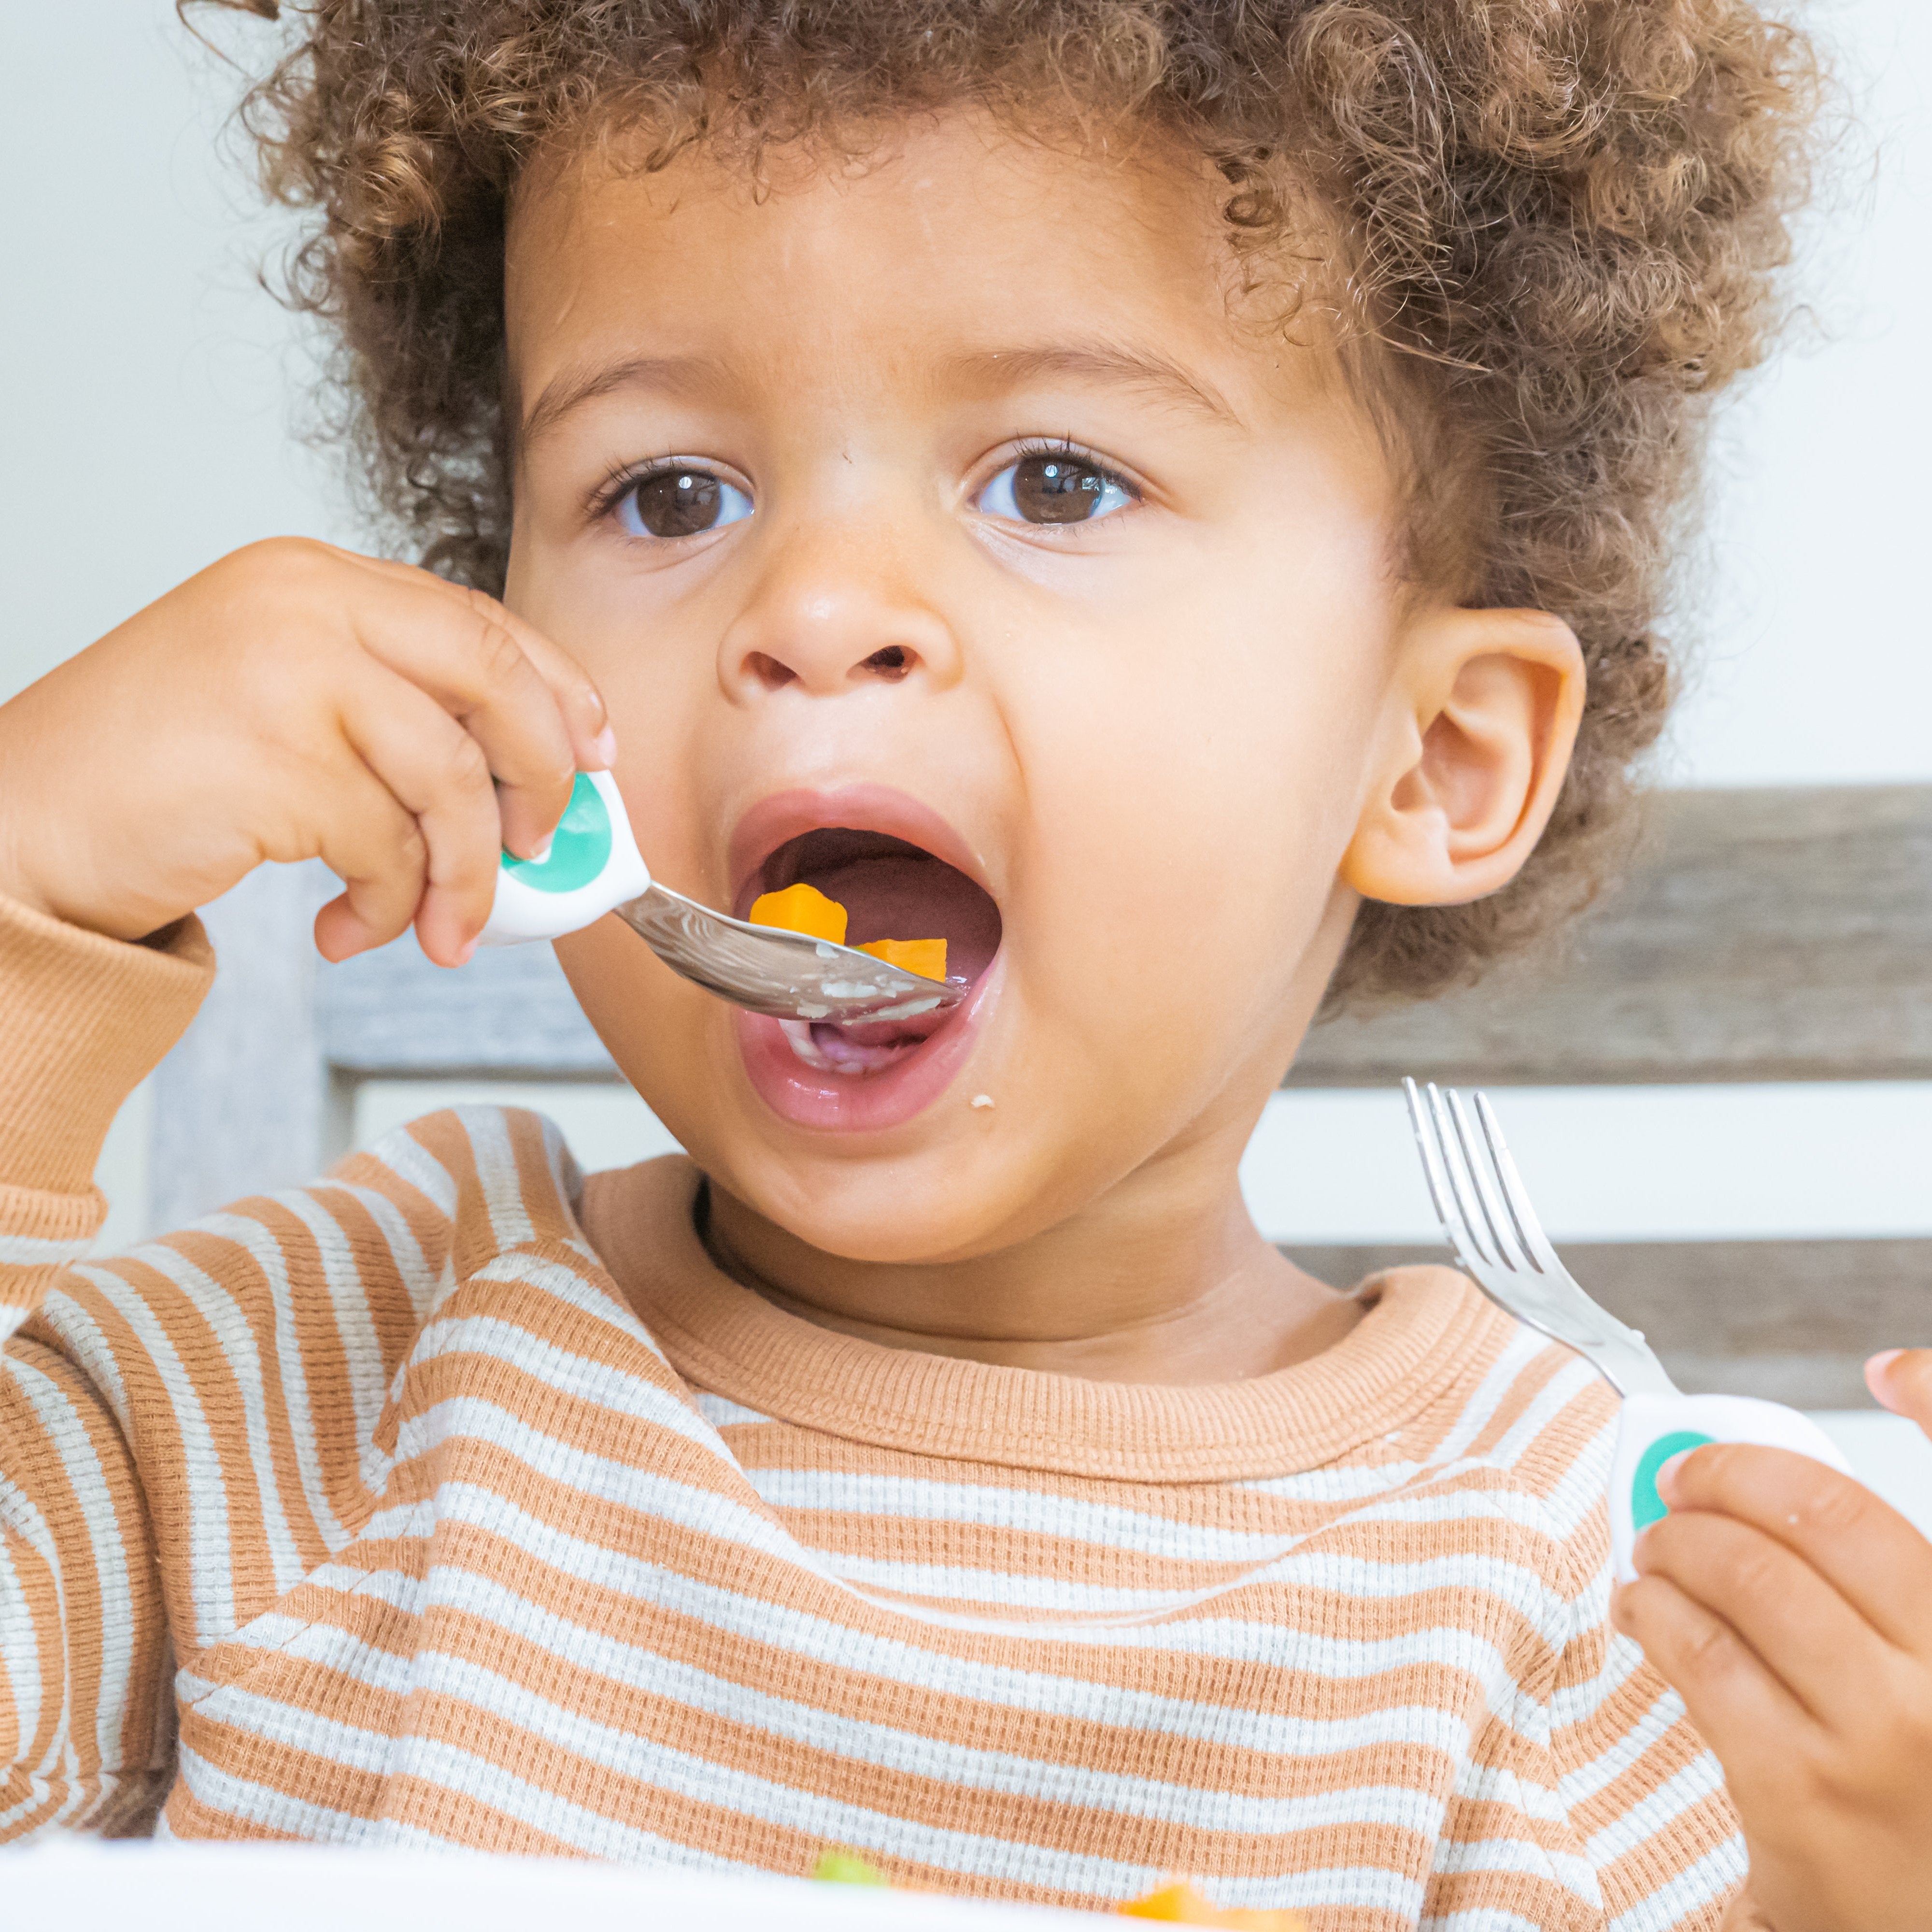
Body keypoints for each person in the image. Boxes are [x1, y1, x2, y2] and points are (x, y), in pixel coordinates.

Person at [3, 2, 1910, 1925]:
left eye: (1057, 481)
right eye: (670, 493)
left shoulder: (1584, 1603)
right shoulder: (304, 1379)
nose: (816, 611)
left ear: (1432, 755)